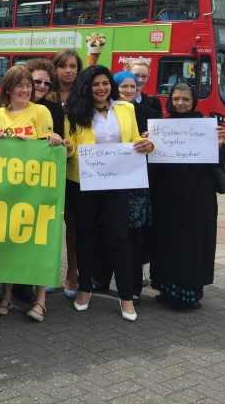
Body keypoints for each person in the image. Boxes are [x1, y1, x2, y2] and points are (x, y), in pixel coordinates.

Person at [64, 65, 154, 322]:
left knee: (118, 237)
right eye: (95, 84)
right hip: (84, 182)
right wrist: (68, 147)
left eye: (105, 83)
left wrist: (149, 144)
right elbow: (71, 150)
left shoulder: (125, 108)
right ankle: (85, 288)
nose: (101, 88)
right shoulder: (74, 111)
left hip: (117, 182)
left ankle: (126, 296)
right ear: (86, 87)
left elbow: (137, 139)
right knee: (86, 236)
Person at [0, 66, 69, 322]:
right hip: (8, 190)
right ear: (8, 89)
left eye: (28, 85)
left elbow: (48, 148)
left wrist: (56, 142)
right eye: (19, 86)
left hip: (37, 190)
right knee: (8, 243)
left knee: (39, 245)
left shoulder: (41, 111)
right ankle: (6, 296)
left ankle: (41, 301)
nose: (25, 90)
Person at [149, 83, 225, 309]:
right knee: (167, 241)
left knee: (195, 242)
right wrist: (149, 143)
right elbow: (152, 164)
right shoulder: (160, 127)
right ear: (170, 100)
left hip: (198, 197)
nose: (180, 103)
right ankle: (167, 290)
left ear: (194, 101)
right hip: (167, 196)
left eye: (185, 99)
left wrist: (219, 144)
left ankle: (191, 294)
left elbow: (219, 161)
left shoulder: (205, 126)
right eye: (176, 99)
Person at [92, 71, 160, 302]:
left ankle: (131, 288)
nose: (129, 90)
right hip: (105, 180)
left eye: (133, 86)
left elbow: (156, 143)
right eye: (124, 87)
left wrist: (150, 141)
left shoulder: (148, 111)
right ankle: (100, 279)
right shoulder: (101, 110)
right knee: (104, 233)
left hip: (133, 182)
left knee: (130, 238)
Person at [49, 49, 83, 297]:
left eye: (73, 66)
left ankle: (72, 275)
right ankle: (48, 273)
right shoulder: (44, 94)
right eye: (63, 66)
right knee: (49, 225)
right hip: (47, 169)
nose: (68, 70)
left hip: (73, 169)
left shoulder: (84, 97)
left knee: (72, 225)